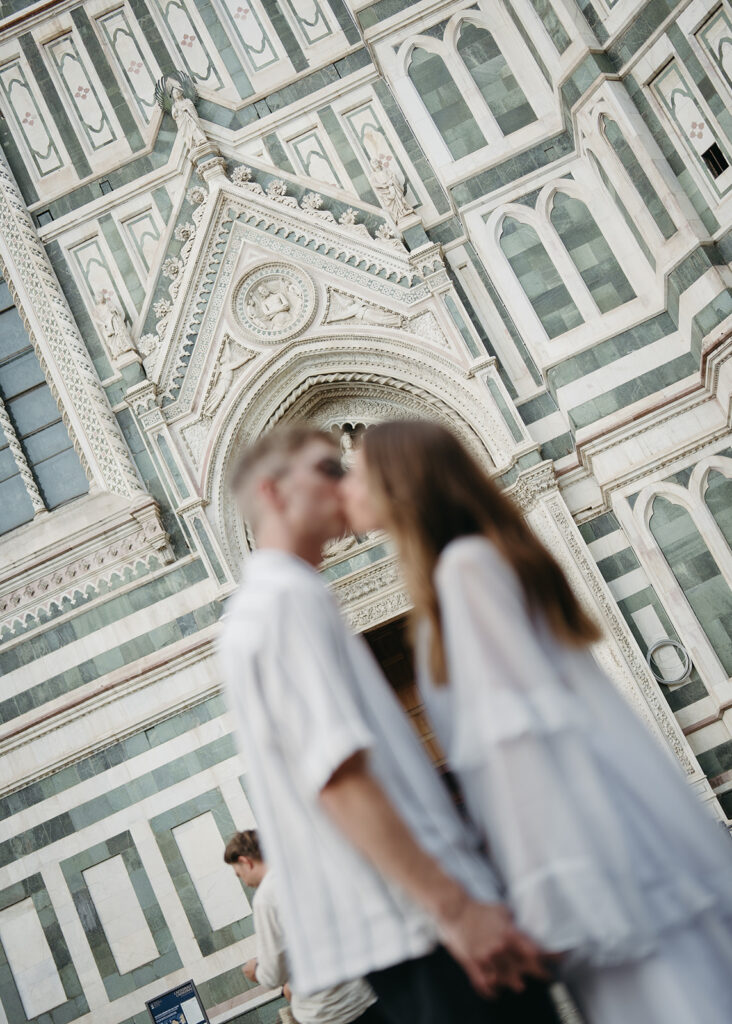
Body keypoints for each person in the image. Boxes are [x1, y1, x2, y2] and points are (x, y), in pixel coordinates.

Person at [341, 418, 732, 1024]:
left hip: (590, 861)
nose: (346, 488)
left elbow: (525, 745)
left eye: (357, 473)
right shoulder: (464, 569)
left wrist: (552, 891)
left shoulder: (466, 572)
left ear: (401, 483)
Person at [219, 425, 559, 1024]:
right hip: (426, 927)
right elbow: (340, 779)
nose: (346, 481)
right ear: (273, 493)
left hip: (406, 928)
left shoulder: (260, 609)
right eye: (327, 470)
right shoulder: (285, 602)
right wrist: (456, 909)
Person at [224, 829, 385, 1024]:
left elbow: (273, 975)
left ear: (246, 861)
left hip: (329, 1011)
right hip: (367, 993)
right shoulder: (309, 870)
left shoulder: (266, 898)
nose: (245, 882)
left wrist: (256, 969)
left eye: (239, 874)